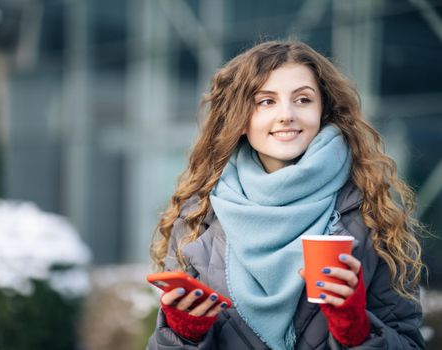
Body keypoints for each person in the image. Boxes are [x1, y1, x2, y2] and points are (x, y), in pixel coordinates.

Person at [147, 40, 425, 350]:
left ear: (324, 111)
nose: (286, 115)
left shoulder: (373, 212)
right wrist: (183, 336)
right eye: (266, 101)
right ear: (240, 118)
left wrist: (357, 331)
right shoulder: (198, 217)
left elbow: (409, 342)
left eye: (303, 100)